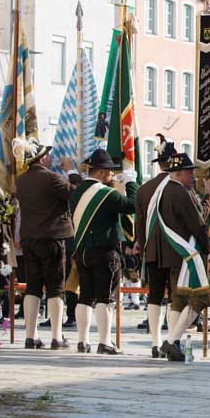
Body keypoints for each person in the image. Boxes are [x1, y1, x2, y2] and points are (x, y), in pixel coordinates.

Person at [68, 148, 138, 354]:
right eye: (108, 171)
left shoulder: (77, 192)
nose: (111, 175)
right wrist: (131, 183)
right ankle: (105, 342)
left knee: (85, 297)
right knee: (105, 298)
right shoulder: (106, 194)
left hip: (82, 251)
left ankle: (82, 341)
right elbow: (131, 205)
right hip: (104, 252)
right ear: (99, 172)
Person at [148, 151, 210, 362]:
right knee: (199, 298)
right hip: (186, 255)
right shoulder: (181, 193)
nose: (192, 176)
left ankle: (172, 344)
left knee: (178, 299)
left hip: (172, 254)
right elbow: (197, 224)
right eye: (189, 172)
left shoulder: (164, 191)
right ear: (179, 173)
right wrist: (208, 245)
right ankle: (172, 341)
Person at [14, 138, 73, 350]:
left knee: (33, 286)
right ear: (42, 158)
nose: (50, 157)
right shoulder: (52, 178)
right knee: (56, 287)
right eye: (47, 155)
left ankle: (31, 336)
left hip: (30, 238)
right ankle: (57, 337)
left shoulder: (21, 180)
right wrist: (71, 171)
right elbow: (72, 193)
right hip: (52, 238)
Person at [134, 137, 178, 358]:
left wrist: (143, 248)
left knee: (154, 295)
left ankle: (155, 342)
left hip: (151, 250)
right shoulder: (177, 188)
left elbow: (139, 226)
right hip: (175, 250)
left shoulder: (143, 189)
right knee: (174, 297)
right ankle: (171, 340)